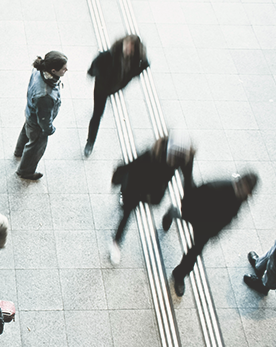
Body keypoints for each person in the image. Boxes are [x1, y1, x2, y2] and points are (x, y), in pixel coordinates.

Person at [163, 173, 258, 296]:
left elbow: (229, 217)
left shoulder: (241, 198)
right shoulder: (218, 186)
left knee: (194, 252)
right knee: (184, 218)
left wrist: (216, 232)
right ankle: (173, 213)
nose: (244, 193)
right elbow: (196, 193)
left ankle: (179, 275)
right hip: (197, 215)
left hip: (207, 229)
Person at [110, 134, 195, 263]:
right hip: (136, 186)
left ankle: (169, 214)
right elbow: (132, 166)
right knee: (127, 212)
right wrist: (118, 177)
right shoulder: (151, 155)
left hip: (154, 193)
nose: (174, 161)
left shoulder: (182, 159)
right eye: (173, 157)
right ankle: (116, 242)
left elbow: (188, 180)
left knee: (142, 205)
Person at [85, 35, 149, 157]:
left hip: (116, 87)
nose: (128, 50)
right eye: (127, 46)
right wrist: (96, 73)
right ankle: (90, 142)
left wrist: (131, 76)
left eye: (132, 48)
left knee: (98, 112)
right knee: (97, 114)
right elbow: (94, 67)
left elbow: (145, 64)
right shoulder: (108, 56)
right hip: (102, 89)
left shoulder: (136, 60)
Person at [14, 51, 67, 180]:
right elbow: (44, 119)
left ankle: (19, 151)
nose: (66, 70)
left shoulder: (39, 70)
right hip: (38, 123)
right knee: (36, 147)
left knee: (26, 132)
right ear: (53, 71)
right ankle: (25, 171)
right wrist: (49, 129)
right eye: (63, 69)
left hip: (30, 113)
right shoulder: (45, 95)